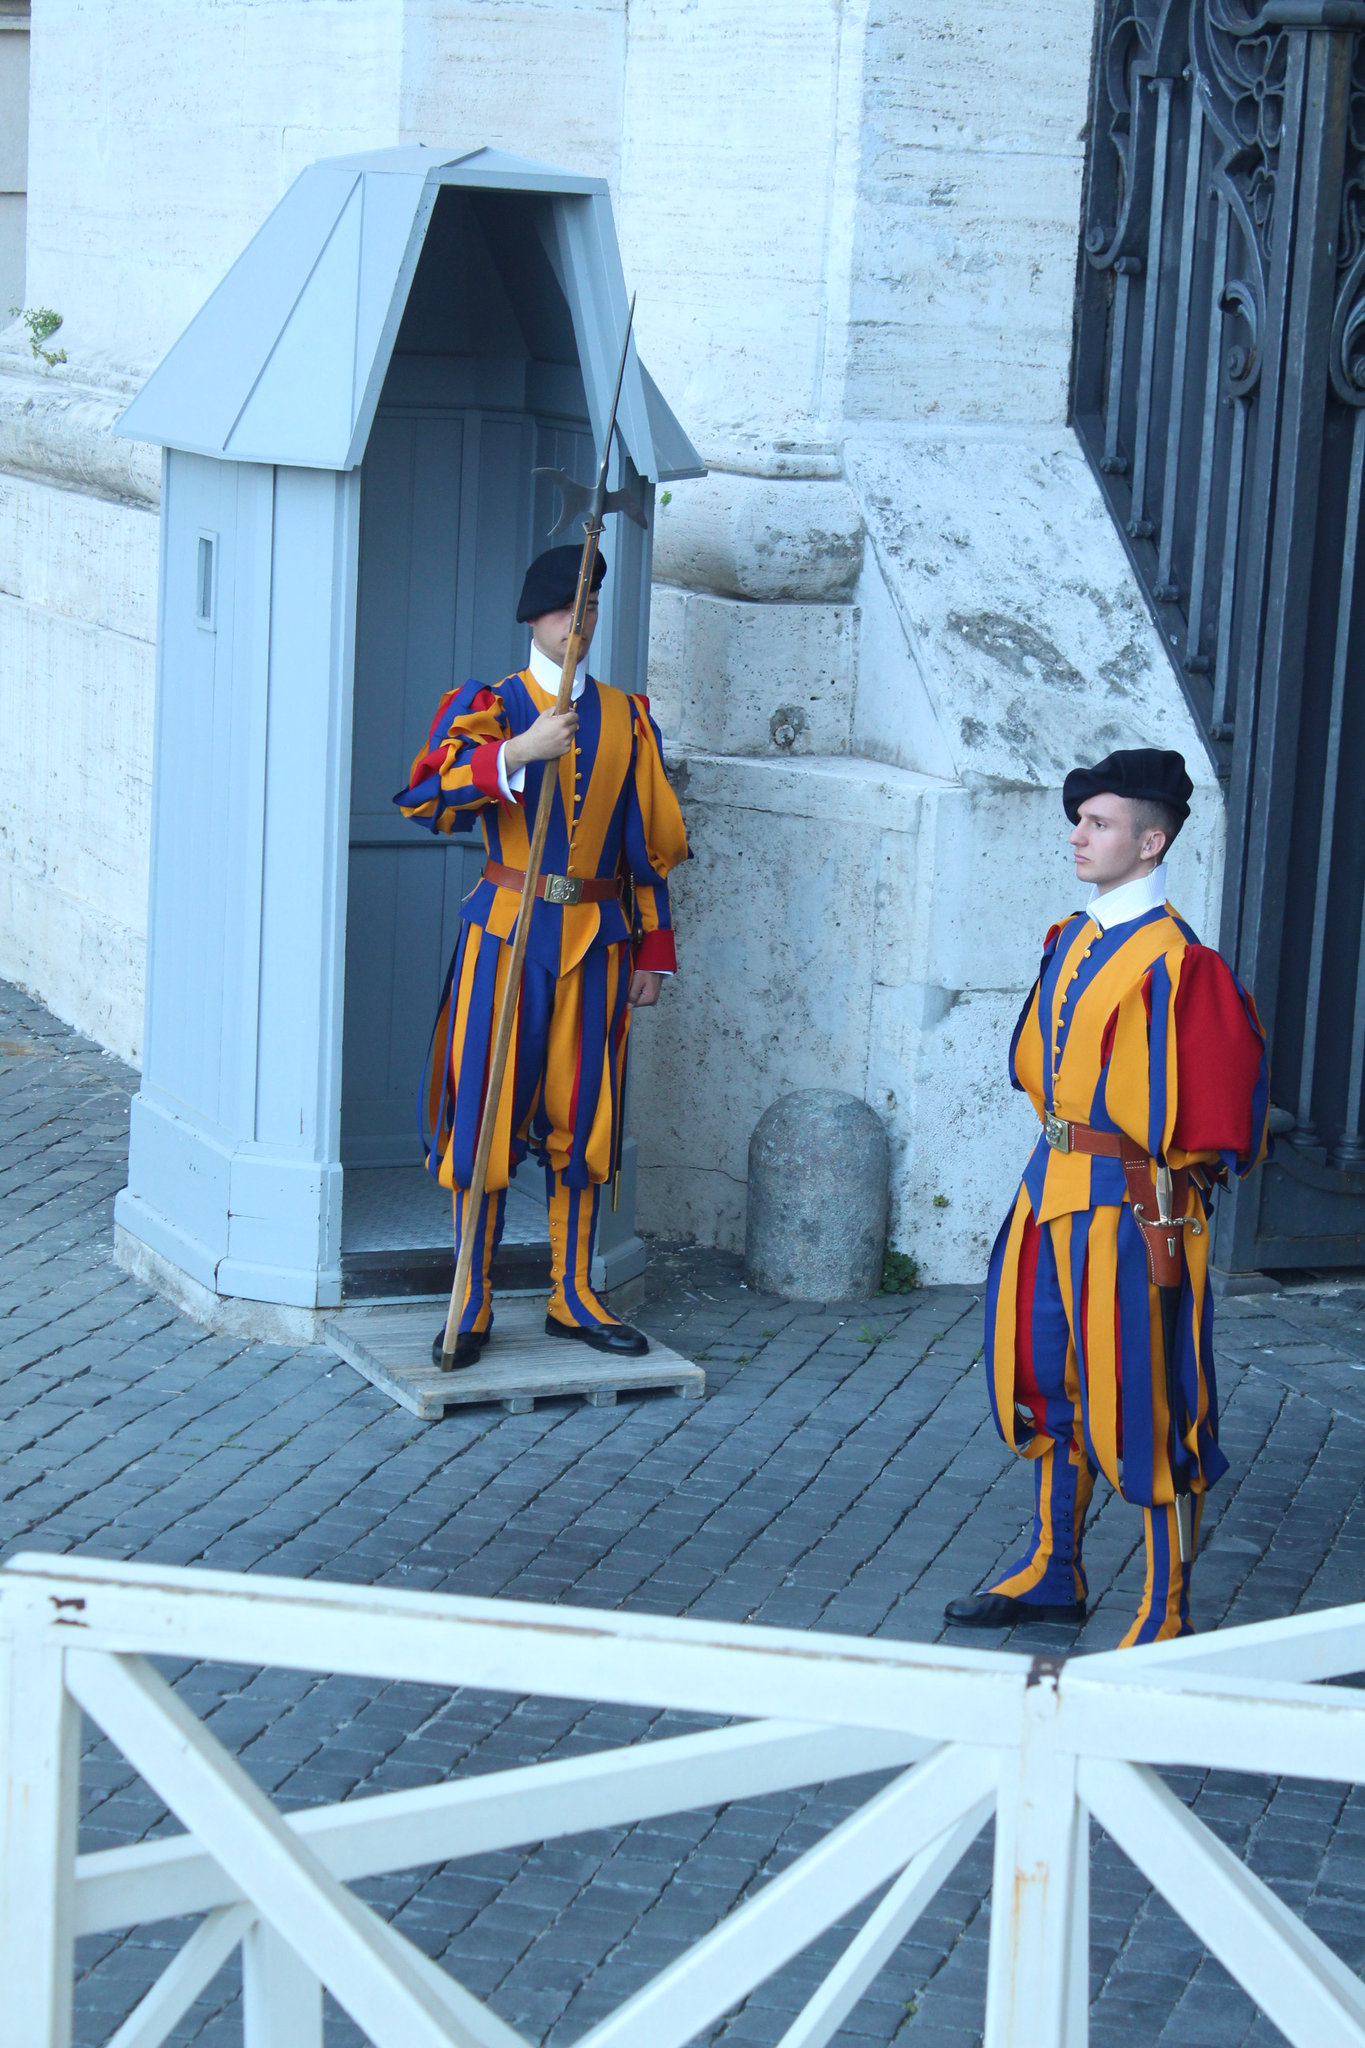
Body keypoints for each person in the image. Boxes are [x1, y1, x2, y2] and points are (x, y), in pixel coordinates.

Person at [945, 749, 1269, 1645]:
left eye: (1098, 823)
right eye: (1078, 820)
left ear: (1151, 840)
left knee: (1146, 1395)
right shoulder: (1070, 936)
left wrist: (1164, 1209)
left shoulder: (1180, 964)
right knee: (1044, 1377)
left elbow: (1209, 1122)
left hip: (1133, 1204)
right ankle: (1054, 1571)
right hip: (1046, 1187)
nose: (1076, 835)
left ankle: (1164, 1613)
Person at [395, 544, 688, 1367]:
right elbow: (424, 798)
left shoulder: (629, 716)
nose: (580, 625)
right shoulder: (489, 705)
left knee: (584, 1117)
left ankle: (573, 1294)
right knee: (486, 1112)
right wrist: (516, 755)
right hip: (506, 936)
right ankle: (472, 1296)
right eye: (567, 612)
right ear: (534, 618)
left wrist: (652, 954)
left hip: (597, 942)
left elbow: (646, 849)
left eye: (590, 610)